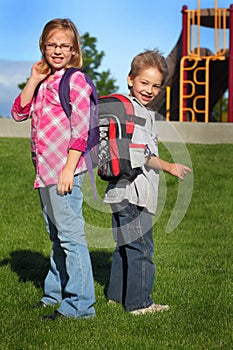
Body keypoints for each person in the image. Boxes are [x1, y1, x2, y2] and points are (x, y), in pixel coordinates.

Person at [11, 18, 96, 320]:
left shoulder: (75, 80)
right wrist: (33, 78)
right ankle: (54, 295)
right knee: (57, 235)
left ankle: (80, 307)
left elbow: (80, 130)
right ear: (43, 47)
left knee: (71, 237)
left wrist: (68, 169)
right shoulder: (45, 80)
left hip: (64, 170)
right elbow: (18, 112)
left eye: (64, 46)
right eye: (52, 45)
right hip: (44, 170)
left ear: (74, 51)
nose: (57, 50)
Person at [104, 49, 192, 315]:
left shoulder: (125, 111)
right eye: (144, 82)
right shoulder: (138, 114)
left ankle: (115, 297)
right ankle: (140, 304)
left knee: (124, 248)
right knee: (141, 249)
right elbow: (141, 154)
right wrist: (169, 166)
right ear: (130, 79)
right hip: (135, 194)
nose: (150, 90)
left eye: (156, 85)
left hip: (117, 193)